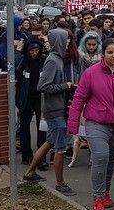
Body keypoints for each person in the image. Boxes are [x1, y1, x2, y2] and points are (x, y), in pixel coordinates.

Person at [68, 39, 114, 210]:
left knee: (110, 159)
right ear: (103, 53)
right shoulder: (91, 73)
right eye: (110, 52)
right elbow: (79, 98)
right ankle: (98, 197)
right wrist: (73, 123)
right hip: (96, 122)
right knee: (100, 156)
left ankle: (106, 191)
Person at [23, 28, 77, 196]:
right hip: (54, 109)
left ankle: (30, 172)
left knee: (50, 142)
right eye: (65, 39)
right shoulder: (53, 61)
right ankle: (60, 183)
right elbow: (42, 86)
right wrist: (65, 86)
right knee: (60, 148)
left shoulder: (58, 58)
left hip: (57, 107)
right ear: (58, 41)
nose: (67, 42)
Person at [16, 37, 46, 165]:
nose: (34, 53)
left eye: (37, 50)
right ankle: (26, 155)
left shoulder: (43, 61)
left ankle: (41, 156)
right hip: (26, 97)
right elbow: (15, 73)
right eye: (31, 50)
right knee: (24, 126)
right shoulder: (22, 61)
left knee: (42, 126)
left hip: (40, 97)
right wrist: (18, 53)